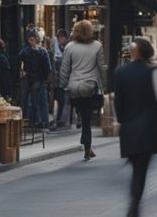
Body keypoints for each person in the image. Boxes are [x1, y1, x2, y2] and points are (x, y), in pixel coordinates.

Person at [112, 37, 157, 217]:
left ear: (133, 52)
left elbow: (117, 102)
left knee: (136, 167)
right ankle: (133, 212)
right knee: (140, 172)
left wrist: (122, 121)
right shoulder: (152, 71)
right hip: (147, 127)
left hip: (128, 127)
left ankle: (133, 211)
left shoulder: (120, 72)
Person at [58, 20, 105, 160]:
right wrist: (104, 86)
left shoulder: (69, 47)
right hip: (89, 86)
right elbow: (101, 68)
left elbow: (64, 69)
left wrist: (63, 85)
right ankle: (87, 144)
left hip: (73, 87)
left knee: (82, 114)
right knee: (86, 117)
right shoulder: (97, 46)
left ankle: (87, 145)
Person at [18, 31, 52, 128]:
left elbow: (47, 68)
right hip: (36, 78)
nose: (33, 41)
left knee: (31, 100)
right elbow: (48, 68)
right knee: (35, 100)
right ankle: (36, 120)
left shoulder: (26, 51)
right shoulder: (38, 51)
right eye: (31, 39)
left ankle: (33, 120)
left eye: (34, 39)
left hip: (34, 78)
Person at [52, 29, 71, 130]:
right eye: (59, 37)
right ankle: (59, 120)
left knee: (67, 100)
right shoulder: (55, 48)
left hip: (67, 79)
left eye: (62, 37)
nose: (60, 39)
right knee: (60, 100)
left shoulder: (68, 48)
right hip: (58, 80)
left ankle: (65, 120)